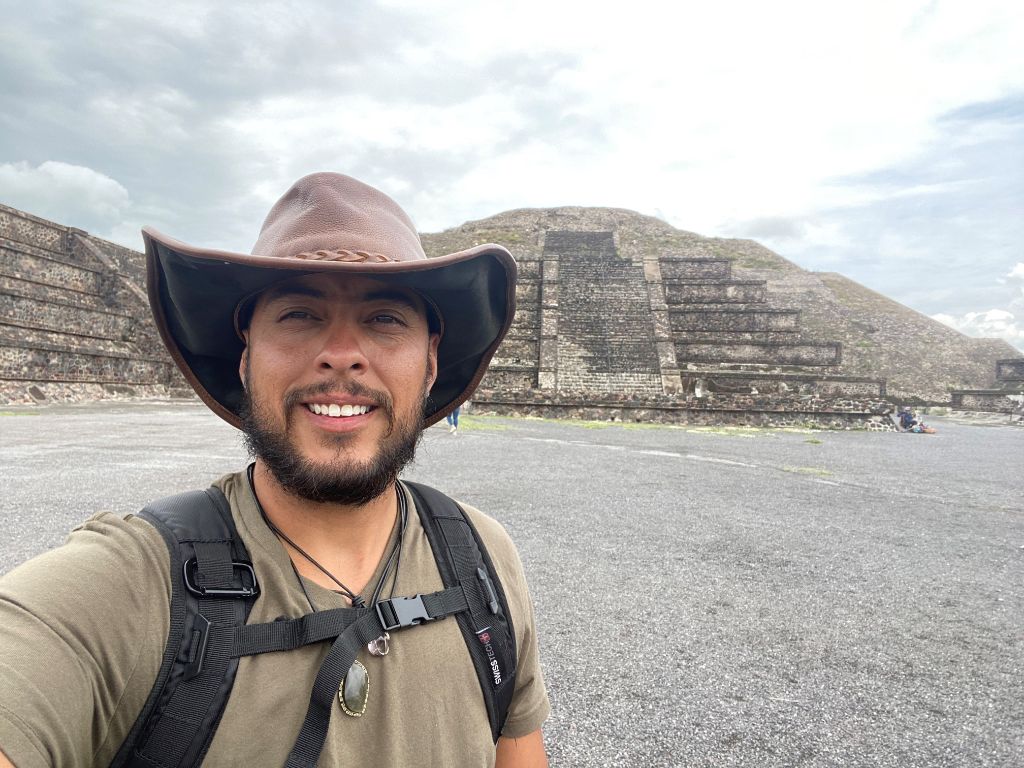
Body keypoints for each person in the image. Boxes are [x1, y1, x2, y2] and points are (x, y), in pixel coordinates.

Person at [0, 173, 549, 767]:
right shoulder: (124, 587)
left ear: (432, 360)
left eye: (385, 318)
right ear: (246, 356)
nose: (342, 352)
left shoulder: (483, 559)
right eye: (299, 314)